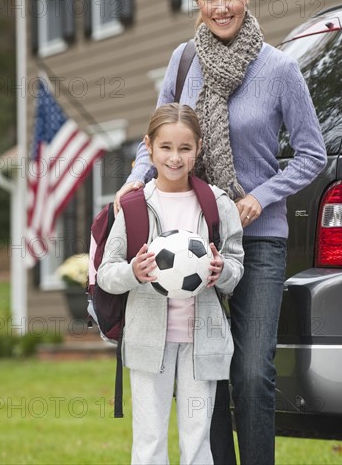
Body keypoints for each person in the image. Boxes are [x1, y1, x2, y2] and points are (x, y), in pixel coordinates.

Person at [114, 0, 327, 465]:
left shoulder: (279, 70)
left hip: (259, 239)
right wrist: (131, 185)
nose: (221, 6)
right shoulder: (184, 61)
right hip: (190, 239)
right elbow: (157, 138)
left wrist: (260, 195)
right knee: (204, 370)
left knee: (253, 371)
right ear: (198, 3)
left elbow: (313, 154)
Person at [97, 103, 244, 465]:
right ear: (149, 147)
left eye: (184, 148)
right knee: (149, 442)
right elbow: (105, 273)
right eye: (165, 147)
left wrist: (220, 270)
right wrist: (134, 271)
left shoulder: (218, 204)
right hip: (149, 343)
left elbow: (237, 267)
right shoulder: (134, 206)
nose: (175, 158)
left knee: (198, 442)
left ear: (198, 150)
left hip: (202, 343)